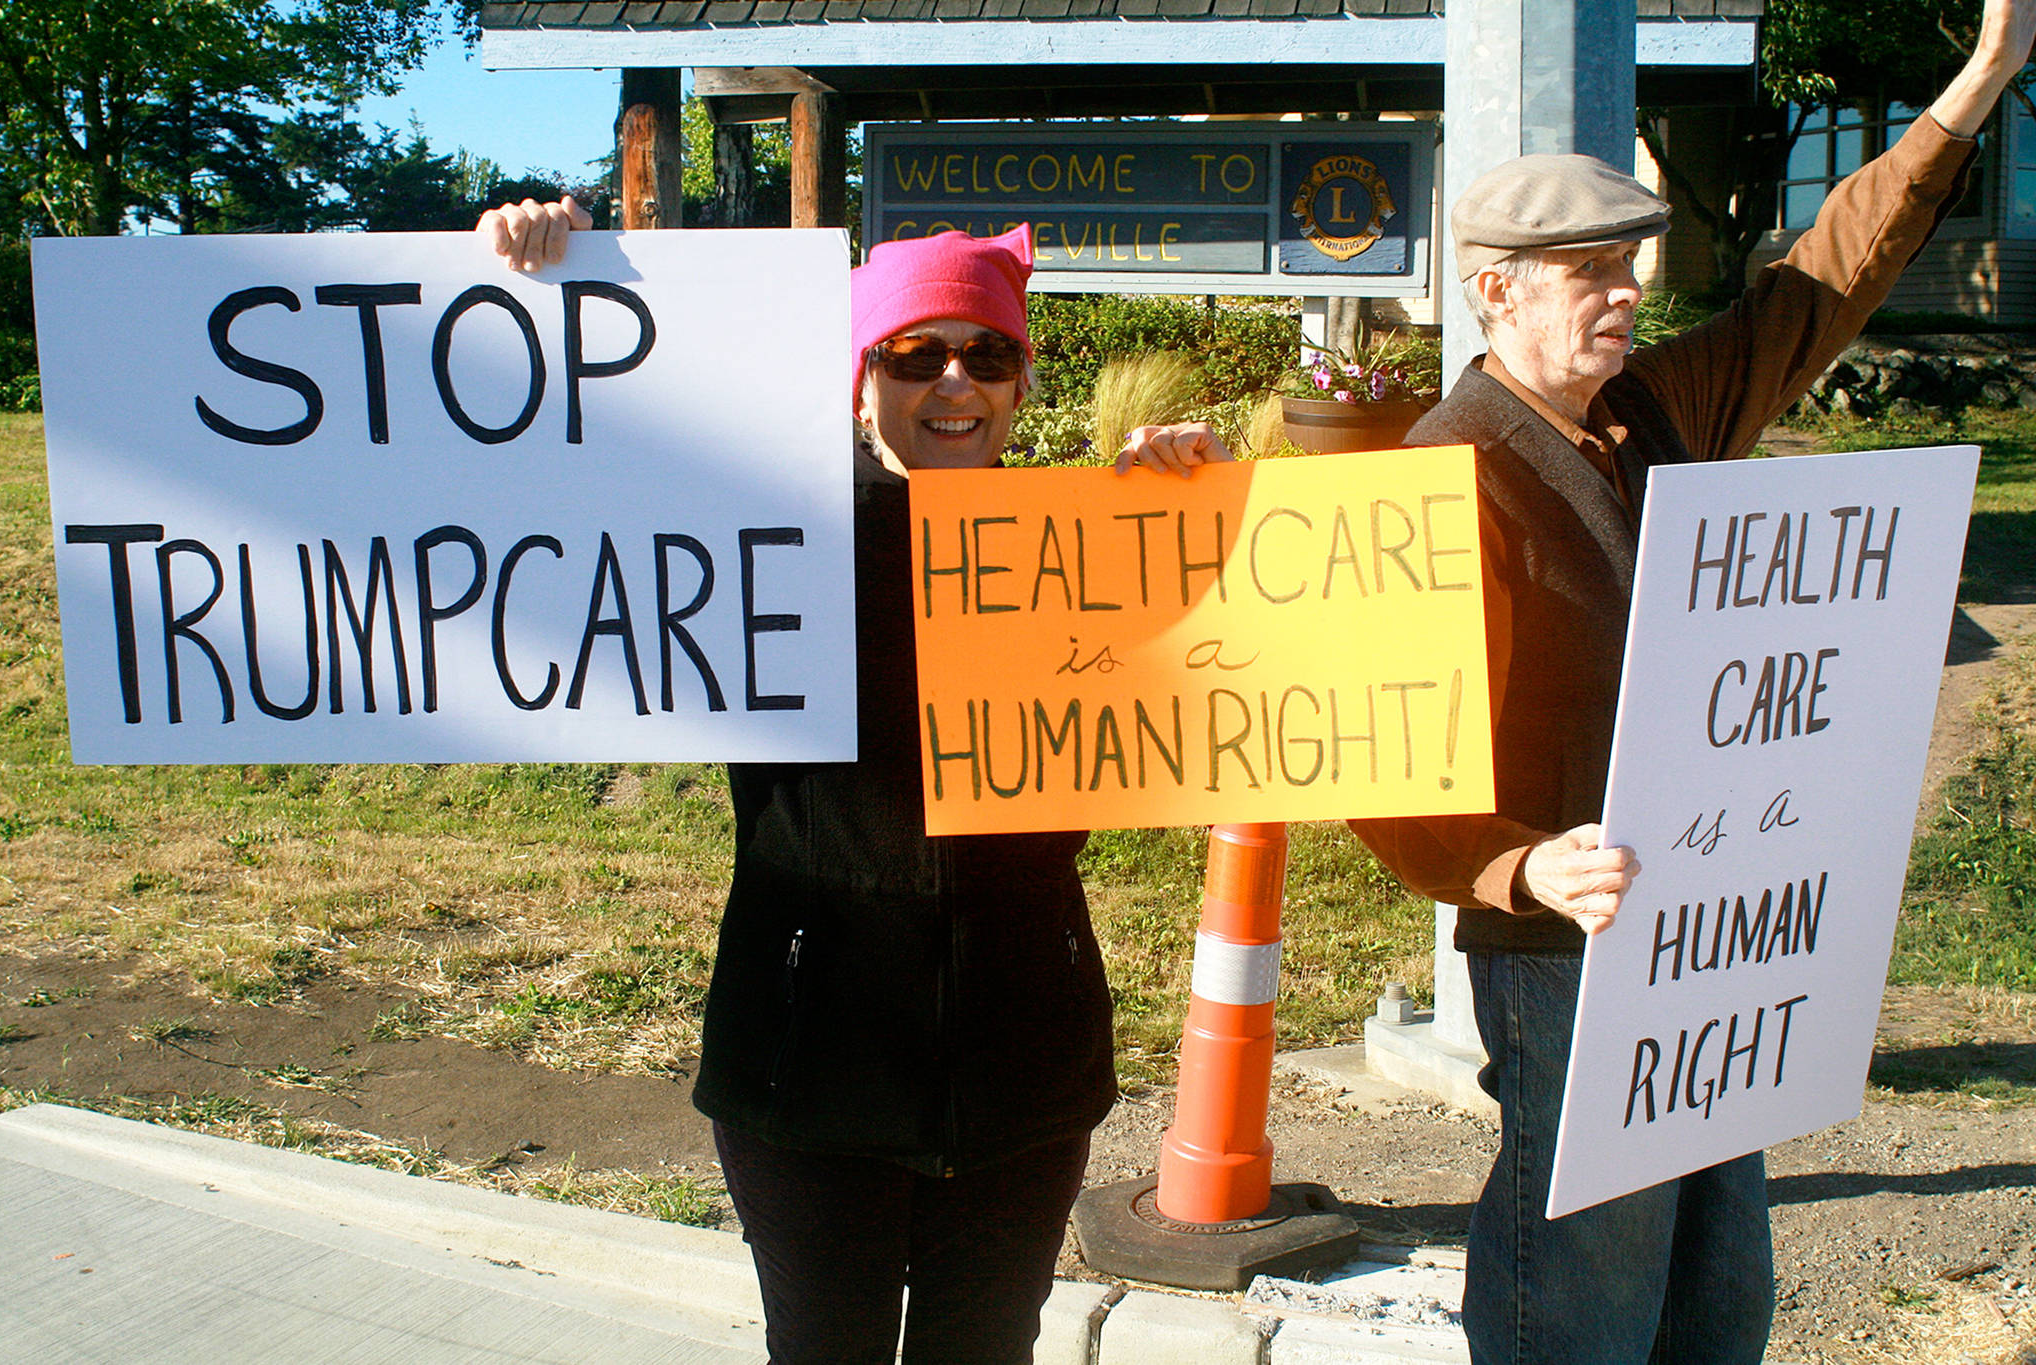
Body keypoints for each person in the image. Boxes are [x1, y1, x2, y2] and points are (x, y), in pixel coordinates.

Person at [1345, 4, 2036, 1361]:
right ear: (1499, 290)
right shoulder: (1436, 475)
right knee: (1584, 1291)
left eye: (1631, 264)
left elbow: (1817, 289)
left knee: (1721, 1288)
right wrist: (1516, 870)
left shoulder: (1656, 406)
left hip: (1708, 927)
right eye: (1590, 270)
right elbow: (1374, 758)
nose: (1628, 291)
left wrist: (1977, 84)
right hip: (1563, 950)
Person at [476, 212, 1229, 1363]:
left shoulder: (1084, 543)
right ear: (857, 375)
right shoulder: (752, 530)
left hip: (1023, 1063)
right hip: (806, 1059)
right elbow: (557, 471)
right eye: (911, 354)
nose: (953, 382)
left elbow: (1242, 657)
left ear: (1023, 382)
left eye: (987, 353)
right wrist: (546, 277)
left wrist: (1185, 509)